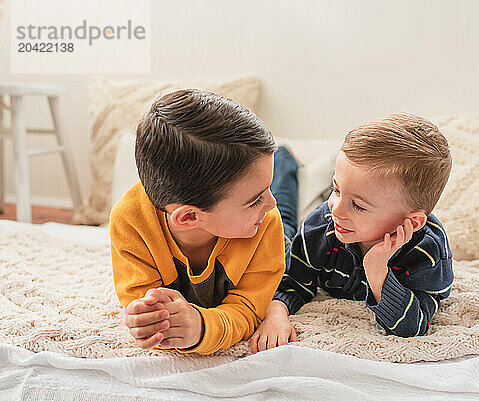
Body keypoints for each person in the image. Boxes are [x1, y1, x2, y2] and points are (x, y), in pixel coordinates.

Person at [250, 113, 454, 353]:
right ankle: (283, 160)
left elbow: (413, 326)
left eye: (358, 205)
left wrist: (378, 271)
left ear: (412, 221)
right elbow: (291, 282)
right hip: (305, 229)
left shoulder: (428, 253)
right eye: (335, 190)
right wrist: (276, 314)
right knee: (282, 219)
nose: (336, 209)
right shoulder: (322, 223)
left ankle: (291, 163)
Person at [110, 89, 286, 355]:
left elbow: (250, 308)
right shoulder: (130, 222)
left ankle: (289, 167)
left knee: (290, 217)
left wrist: (202, 328)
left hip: (280, 240)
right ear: (190, 216)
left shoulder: (266, 220)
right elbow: (147, 308)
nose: (270, 204)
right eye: (254, 200)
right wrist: (150, 320)